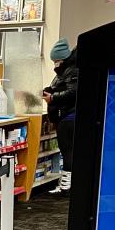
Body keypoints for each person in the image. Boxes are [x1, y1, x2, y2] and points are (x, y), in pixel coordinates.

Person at [43, 38, 78, 193]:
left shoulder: (72, 70)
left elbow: (73, 92)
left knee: (67, 150)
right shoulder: (65, 71)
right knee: (68, 150)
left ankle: (66, 185)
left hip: (69, 116)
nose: (55, 64)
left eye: (56, 60)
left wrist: (53, 97)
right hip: (66, 115)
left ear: (62, 59)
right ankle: (67, 183)